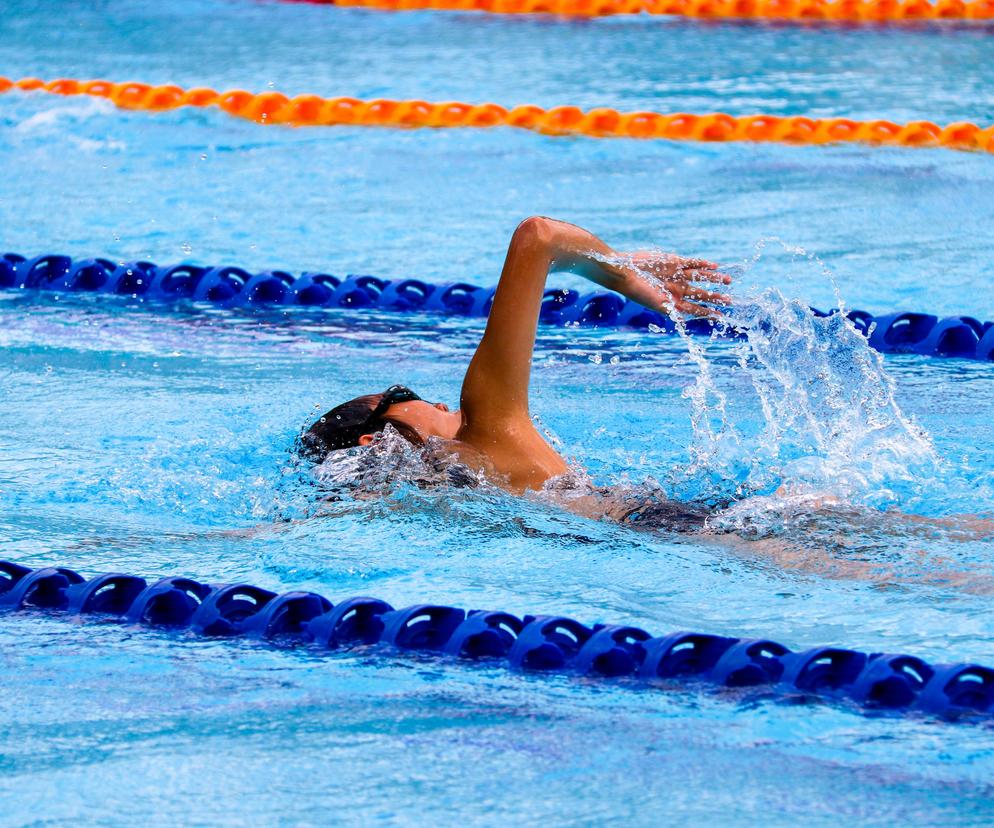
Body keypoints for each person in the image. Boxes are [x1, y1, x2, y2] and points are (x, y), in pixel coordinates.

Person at [299, 216, 730, 503]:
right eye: (404, 394)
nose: (443, 405)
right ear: (375, 441)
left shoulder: (456, 498)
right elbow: (539, 236)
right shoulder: (484, 424)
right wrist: (624, 275)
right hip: (686, 528)